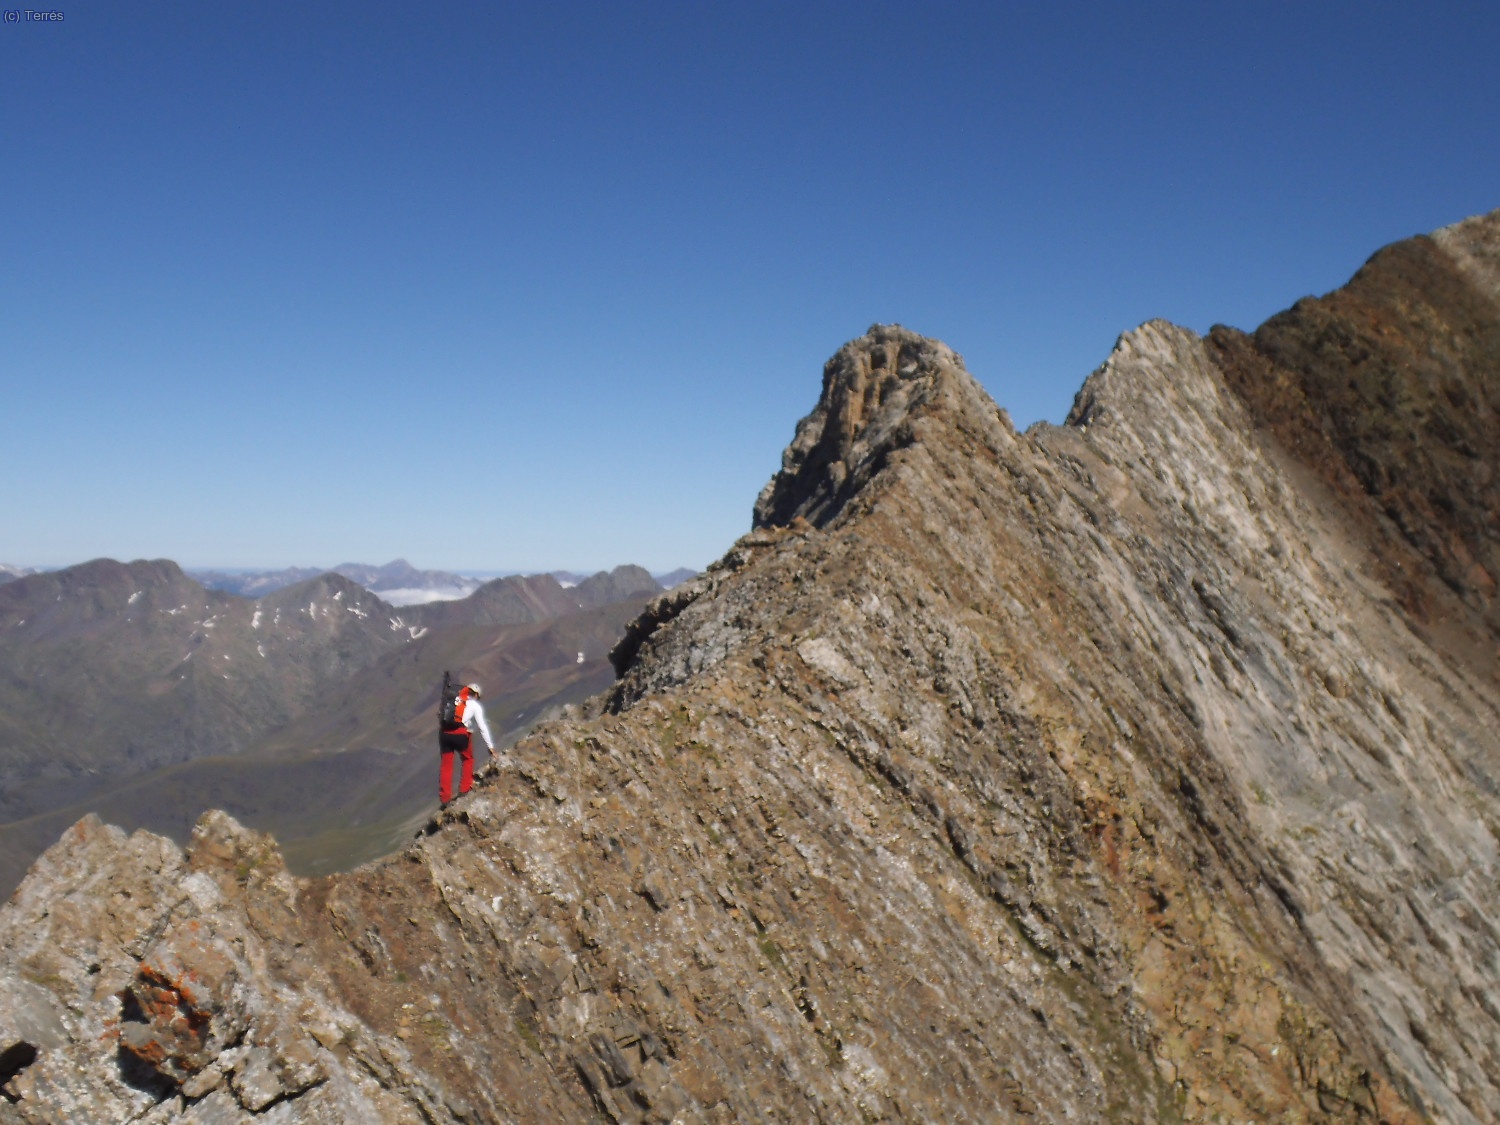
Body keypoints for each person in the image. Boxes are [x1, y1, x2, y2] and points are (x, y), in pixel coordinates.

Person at [439, 682, 495, 806]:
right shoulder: (474, 705)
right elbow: (482, 726)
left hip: (445, 733)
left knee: (446, 765)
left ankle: (445, 798)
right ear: (476, 695)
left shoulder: (453, 700)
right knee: (468, 759)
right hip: (460, 734)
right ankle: (465, 789)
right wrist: (490, 746)